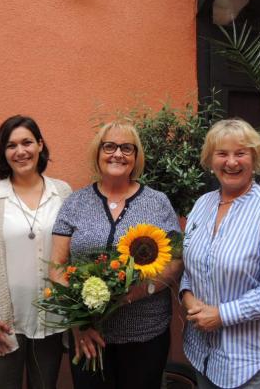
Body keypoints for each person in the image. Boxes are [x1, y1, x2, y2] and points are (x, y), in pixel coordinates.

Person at [49, 121, 182, 389]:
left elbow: (175, 261)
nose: (117, 154)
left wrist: (132, 294)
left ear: (136, 157)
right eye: (109, 146)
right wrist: (81, 323)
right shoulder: (75, 203)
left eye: (126, 148)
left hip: (145, 334)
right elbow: (57, 266)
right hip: (90, 337)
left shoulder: (157, 202)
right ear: (98, 153)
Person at [180, 118, 260, 389]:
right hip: (201, 353)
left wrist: (222, 315)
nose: (231, 162)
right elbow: (191, 265)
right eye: (222, 154)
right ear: (211, 160)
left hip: (244, 360)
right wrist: (187, 296)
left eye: (240, 153)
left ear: (254, 159)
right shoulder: (202, 204)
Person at [0, 115, 72, 389]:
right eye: (11, 145)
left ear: (40, 145)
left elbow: (72, 255)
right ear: (3, 153)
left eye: (27, 142)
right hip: (3, 324)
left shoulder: (62, 192)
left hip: (51, 319)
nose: (20, 151)